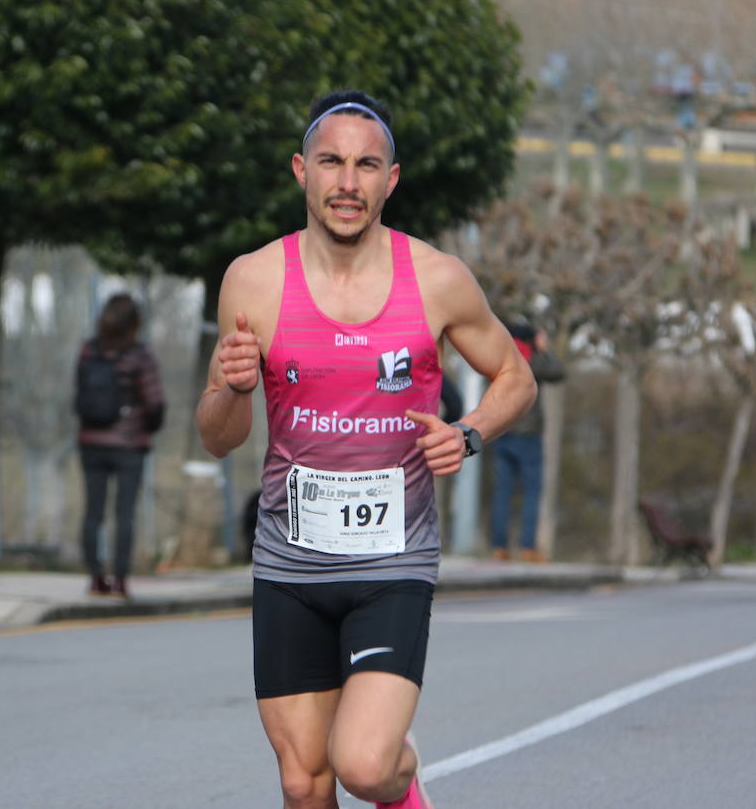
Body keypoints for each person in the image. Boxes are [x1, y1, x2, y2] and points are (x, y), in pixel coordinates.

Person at [195, 91, 536, 809]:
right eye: (332, 162)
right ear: (302, 171)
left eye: (366, 165)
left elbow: (516, 378)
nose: (348, 183)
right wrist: (231, 391)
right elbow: (218, 436)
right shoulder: (253, 280)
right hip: (290, 564)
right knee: (303, 781)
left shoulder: (436, 278)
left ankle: (403, 782)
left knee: (363, 765)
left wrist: (469, 433)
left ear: (391, 179)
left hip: (393, 563)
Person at [76, 293, 165, 598]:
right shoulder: (140, 356)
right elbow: (155, 404)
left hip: (91, 442)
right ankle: (121, 580)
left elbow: (79, 393)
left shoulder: (89, 351)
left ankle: (94, 577)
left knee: (93, 512)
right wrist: (146, 429)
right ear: (134, 323)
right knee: (124, 513)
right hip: (129, 444)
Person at [489, 321, 566, 562]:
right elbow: (558, 372)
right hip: (529, 435)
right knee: (532, 491)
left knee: (502, 491)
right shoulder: (533, 360)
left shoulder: (501, 356)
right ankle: (527, 547)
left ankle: (499, 547)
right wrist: (543, 348)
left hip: (502, 432)